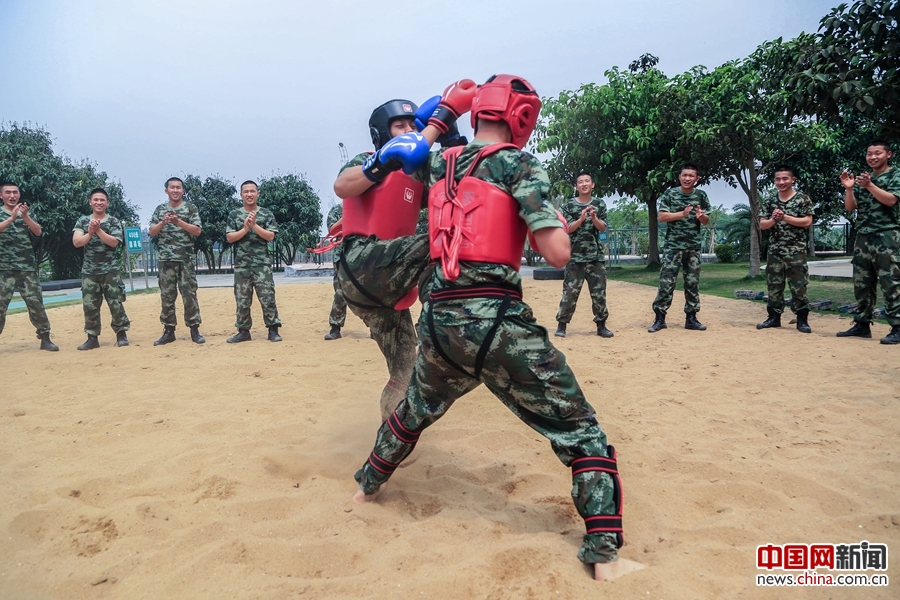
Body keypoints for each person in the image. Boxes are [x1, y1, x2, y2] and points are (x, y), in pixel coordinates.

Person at [352, 75, 641, 581]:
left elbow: (415, 160)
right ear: (522, 117)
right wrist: (546, 217)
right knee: (577, 427)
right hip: (496, 319)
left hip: (439, 321)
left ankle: (366, 487)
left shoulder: (439, 163)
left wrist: (440, 116)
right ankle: (603, 554)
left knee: (416, 410)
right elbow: (557, 252)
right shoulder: (519, 162)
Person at [332, 82, 472, 419]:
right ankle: (441, 322)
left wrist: (452, 135)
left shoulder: (417, 176)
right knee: (446, 242)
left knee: (404, 370)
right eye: (400, 126)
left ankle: (391, 435)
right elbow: (341, 186)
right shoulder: (367, 161)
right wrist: (381, 162)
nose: (409, 130)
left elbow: (462, 184)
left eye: (413, 125)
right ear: (382, 134)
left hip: (385, 286)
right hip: (362, 264)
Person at [837, 141, 900, 344]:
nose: (872, 157)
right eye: (869, 153)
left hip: (887, 235)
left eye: (877, 153)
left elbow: (891, 200)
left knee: (890, 282)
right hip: (863, 235)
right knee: (862, 282)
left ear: (888, 154)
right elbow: (850, 208)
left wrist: (870, 186)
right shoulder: (865, 178)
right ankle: (862, 324)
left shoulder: (894, 174)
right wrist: (849, 189)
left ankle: (897, 327)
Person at [648, 164, 711, 333]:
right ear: (679, 176)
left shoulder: (701, 195)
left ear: (697, 178)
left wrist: (701, 216)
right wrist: (681, 214)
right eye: (684, 175)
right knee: (666, 283)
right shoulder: (670, 194)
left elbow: (706, 221)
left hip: (693, 247)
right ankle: (660, 318)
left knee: (692, 283)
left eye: (691, 175)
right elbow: (661, 216)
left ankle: (691, 318)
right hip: (673, 247)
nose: (687, 178)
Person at [0, 182, 58, 351]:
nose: (12, 196)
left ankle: (45, 338)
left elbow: (38, 232)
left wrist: (24, 216)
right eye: (8, 192)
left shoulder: (27, 212)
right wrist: (12, 218)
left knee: (36, 303)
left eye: (15, 192)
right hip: (3, 268)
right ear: (1, 195)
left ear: (19, 194)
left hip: (26, 268)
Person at [554, 171, 613, 338]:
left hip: (595, 257)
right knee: (570, 293)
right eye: (581, 182)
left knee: (599, 293)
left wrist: (594, 218)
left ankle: (601, 326)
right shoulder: (568, 205)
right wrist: (580, 219)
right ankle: (562, 325)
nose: (584, 184)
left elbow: (603, 228)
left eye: (587, 181)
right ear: (576, 186)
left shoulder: (599, 204)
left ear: (593, 184)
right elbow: (566, 228)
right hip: (574, 257)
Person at [148, 177, 205, 345]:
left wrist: (178, 221)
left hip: (185, 260)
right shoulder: (160, 210)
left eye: (178, 187)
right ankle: (169, 330)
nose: (175, 190)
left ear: (183, 191)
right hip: (166, 260)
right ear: (166, 190)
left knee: (189, 295)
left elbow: (197, 231)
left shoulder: (190, 208)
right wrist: (163, 222)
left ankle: (194, 329)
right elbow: (152, 232)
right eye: (172, 187)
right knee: (167, 296)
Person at [756, 166, 814, 333]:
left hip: (796, 251)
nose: (781, 182)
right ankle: (773, 317)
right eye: (778, 179)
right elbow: (762, 225)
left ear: (793, 180)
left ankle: (802, 320)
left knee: (799, 286)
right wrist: (774, 219)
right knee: (774, 286)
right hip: (775, 252)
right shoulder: (770, 200)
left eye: (785, 179)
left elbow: (807, 222)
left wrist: (785, 217)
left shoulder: (802, 199)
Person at [71, 188, 131, 349]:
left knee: (116, 303)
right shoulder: (83, 221)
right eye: (95, 199)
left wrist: (98, 230)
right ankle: (92, 337)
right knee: (90, 305)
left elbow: (113, 242)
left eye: (102, 200)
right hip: (90, 272)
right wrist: (90, 232)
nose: (99, 202)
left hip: (110, 270)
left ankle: (121, 334)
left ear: (107, 203)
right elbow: (77, 242)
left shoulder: (113, 221)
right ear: (90, 202)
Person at [224, 180, 282, 343]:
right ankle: (243, 331)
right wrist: (245, 229)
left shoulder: (266, 213)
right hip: (242, 265)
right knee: (242, 299)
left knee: (267, 297)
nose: (249, 194)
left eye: (252, 191)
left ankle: (273, 330)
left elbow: (270, 236)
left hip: (262, 264)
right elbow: (230, 237)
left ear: (258, 194)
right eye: (246, 191)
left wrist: (254, 225)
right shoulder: (234, 215)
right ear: (241, 194)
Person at [323, 203, 346, 340]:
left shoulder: (367, 206)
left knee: (369, 290)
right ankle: (335, 327)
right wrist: (348, 214)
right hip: (342, 255)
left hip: (364, 254)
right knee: (340, 291)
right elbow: (332, 230)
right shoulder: (337, 210)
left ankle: (374, 328)